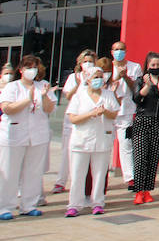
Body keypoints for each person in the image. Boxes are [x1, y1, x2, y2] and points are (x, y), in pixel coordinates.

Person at [0, 55, 54, 219]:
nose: (32, 70)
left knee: (34, 172)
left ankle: (28, 205)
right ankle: (5, 207)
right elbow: (7, 108)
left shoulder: (43, 86)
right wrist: (27, 100)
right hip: (14, 134)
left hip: (38, 135)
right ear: (21, 70)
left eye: (35, 67)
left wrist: (43, 96)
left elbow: (49, 108)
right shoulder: (12, 87)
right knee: (10, 171)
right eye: (29, 67)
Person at [65, 57, 119, 216]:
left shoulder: (108, 95)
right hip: (81, 141)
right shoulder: (79, 96)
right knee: (78, 175)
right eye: (95, 77)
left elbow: (114, 113)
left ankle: (98, 203)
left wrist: (104, 112)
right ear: (87, 80)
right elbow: (73, 118)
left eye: (100, 77)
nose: (99, 80)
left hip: (102, 140)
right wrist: (91, 114)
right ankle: (74, 205)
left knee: (100, 174)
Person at [55, 48, 96, 193]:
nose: (88, 64)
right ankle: (61, 181)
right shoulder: (73, 77)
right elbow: (68, 96)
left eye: (91, 61)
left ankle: (83, 185)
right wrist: (79, 83)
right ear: (80, 63)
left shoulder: (96, 77)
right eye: (85, 61)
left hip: (89, 119)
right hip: (73, 119)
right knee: (67, 152)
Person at [108, 40, 142, 191]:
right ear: (111, 52)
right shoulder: (105, 67)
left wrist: (125, 77)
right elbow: (101, 86)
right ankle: (101, 178)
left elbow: (137, 87)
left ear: (126, 51)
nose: (119, 52)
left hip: (127, 111)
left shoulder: (134, 67)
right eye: (116, 49)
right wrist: (116, 78)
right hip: (108, 111)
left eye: (121, 49)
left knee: (126, 145)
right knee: (105, 145)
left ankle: (130, 178)